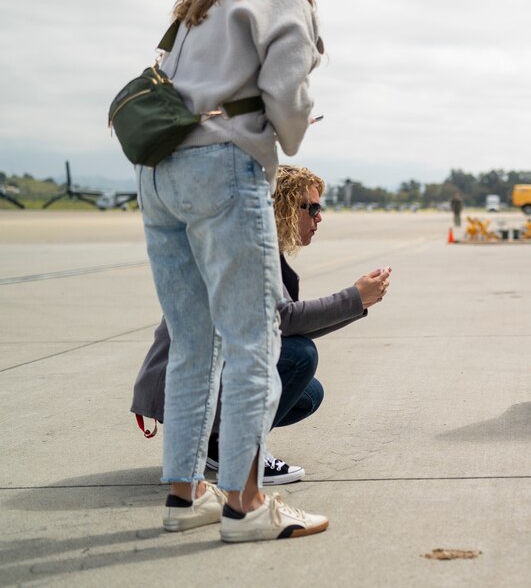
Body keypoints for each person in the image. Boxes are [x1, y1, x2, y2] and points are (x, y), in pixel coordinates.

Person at [139, 0, 328, 541]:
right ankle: (247, 505)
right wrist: (293, 122)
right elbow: (289, 111)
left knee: (194, 342)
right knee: (254, 343)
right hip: (223, 166)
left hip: (159, 171)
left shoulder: (202, 2)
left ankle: (184, 493)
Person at [132, 165, 390, 485]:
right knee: (299, 356)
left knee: (308, 393)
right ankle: (241, 453)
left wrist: (357, 303)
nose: (319, 217)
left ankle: (217, 443)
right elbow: (284, 320)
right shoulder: (248, 248)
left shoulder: (257, 244)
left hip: (202, 376)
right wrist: (353, 298)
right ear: (281, 205)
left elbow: (281, 323)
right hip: (185, 385)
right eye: (312, 207)